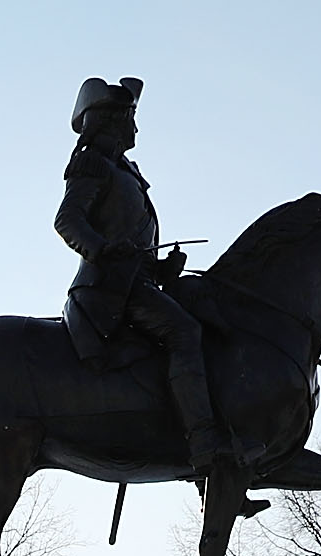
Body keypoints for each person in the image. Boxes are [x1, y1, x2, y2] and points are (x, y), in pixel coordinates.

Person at [55, 75, 232, 479]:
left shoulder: (128, 171)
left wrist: (163, 269)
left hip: (137, 283)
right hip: (109, 290)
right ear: (107, 123)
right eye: (127, 119)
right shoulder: (92, 164)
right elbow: (68, 220)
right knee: (184, 332)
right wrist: (102, 249)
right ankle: (204, 441)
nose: (134, 128)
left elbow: (132, 241)